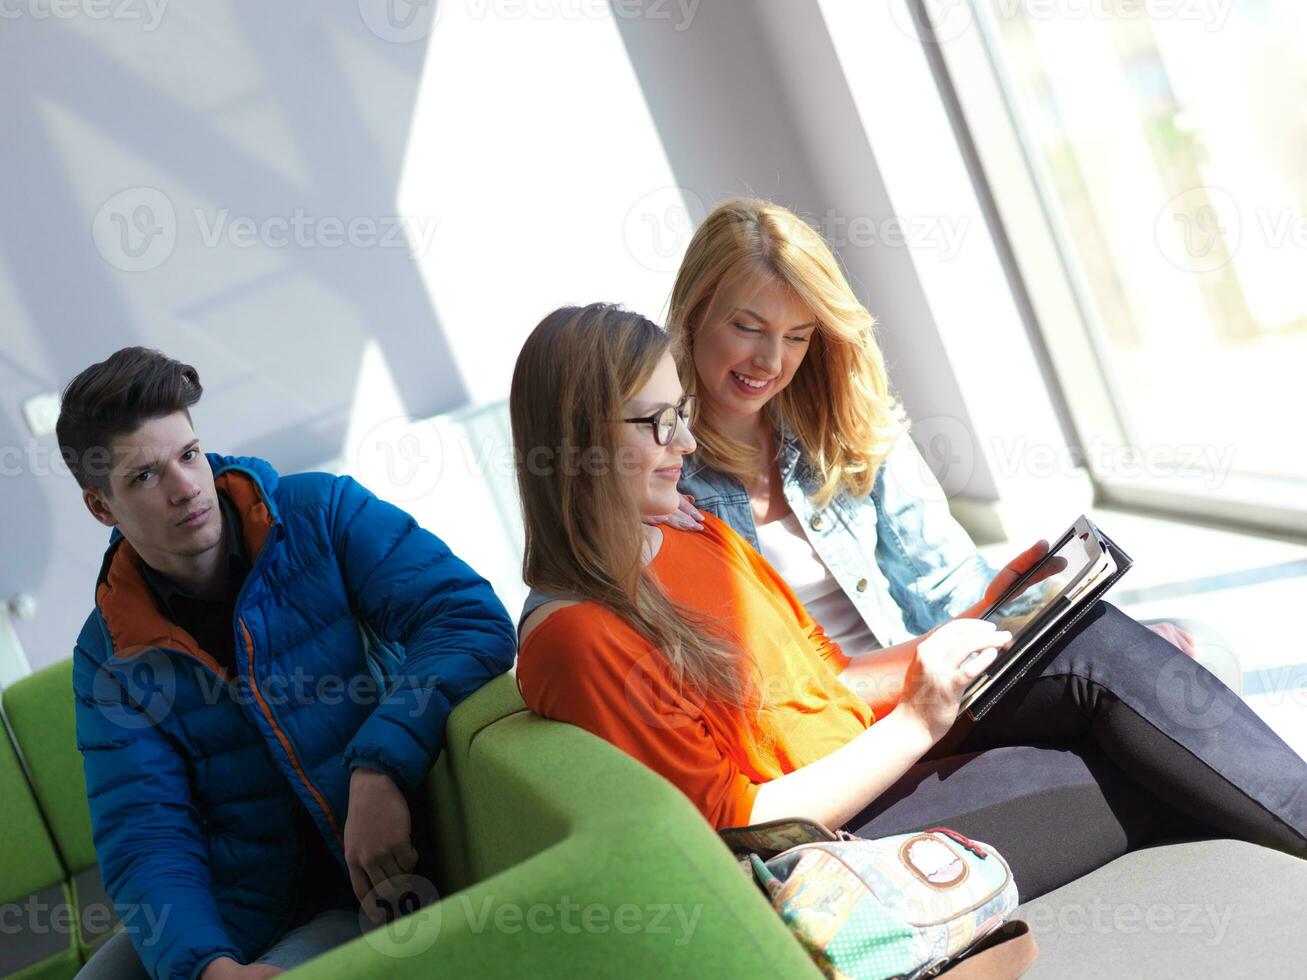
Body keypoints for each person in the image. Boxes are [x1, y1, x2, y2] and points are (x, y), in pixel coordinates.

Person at [512, 303, 1307, 904]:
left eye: (680, 414)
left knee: (1083, 640)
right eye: (657, 424)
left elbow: (825, 678)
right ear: (576, 439)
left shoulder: (688, 537)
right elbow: (737, 828)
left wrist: (977, 628)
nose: (684, 445)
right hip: (834, 849)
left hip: (877, 766)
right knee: (1153, 750)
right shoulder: (578, 635)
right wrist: (918, 723)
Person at [518, 197, 1198, 667]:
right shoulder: (658, 472)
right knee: (1140, 680)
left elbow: (949, 585)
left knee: (1169, 651)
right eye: (747, 327)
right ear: (694, 313)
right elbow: (573, 579)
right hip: (838, 724)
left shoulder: (840, 427)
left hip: (927, 678)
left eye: (796, 336)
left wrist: (1063, 630)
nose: (769, 362)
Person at [59, 348, 516, 980]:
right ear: (100, 507)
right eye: (144, 476)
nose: (186, 486)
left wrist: (378, 765)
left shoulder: (320, 514)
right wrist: (206, 965)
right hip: (236, 902)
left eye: (189, 454)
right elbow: (145, 833)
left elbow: (468, 618)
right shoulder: (106, 654)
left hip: (360, 882)